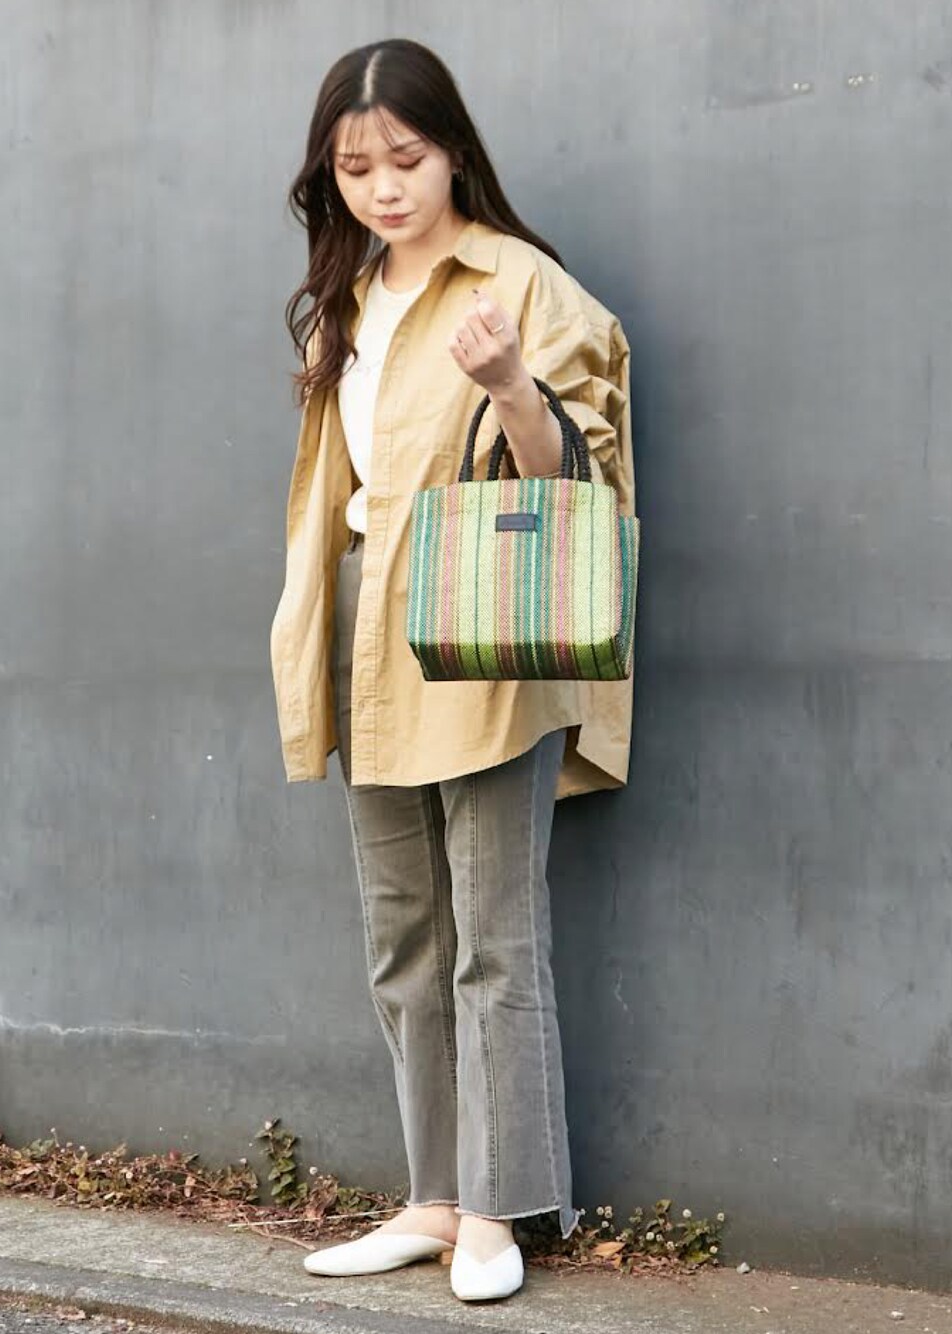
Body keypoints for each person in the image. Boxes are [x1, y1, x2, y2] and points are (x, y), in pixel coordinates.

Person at [270, 37, 635, 1302]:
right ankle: (431, 1197)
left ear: (455, 153)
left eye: (406, 158)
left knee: (495, 934)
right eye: (354, 166)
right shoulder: (349, 294)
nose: (383, 186)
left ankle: (496, 1208)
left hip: (484, 618)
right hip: (370, 627)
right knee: (404, 934)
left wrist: (510, 384)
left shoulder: (521, 284)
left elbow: (574, 482)